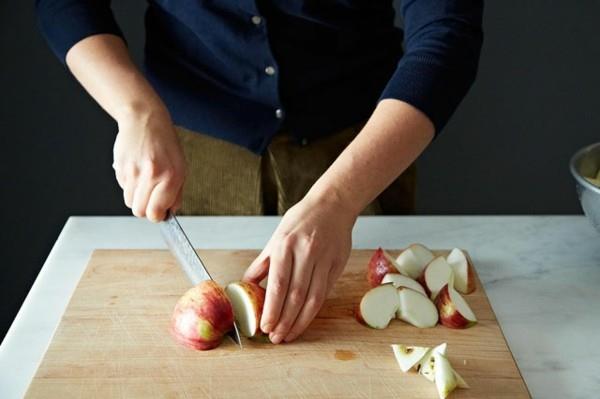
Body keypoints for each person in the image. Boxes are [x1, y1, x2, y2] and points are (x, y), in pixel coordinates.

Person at [36, 0, 483, 344]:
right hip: (192, 155)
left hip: (360, 149)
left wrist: (341, 198)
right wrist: (135, 110)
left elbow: (446, 28)